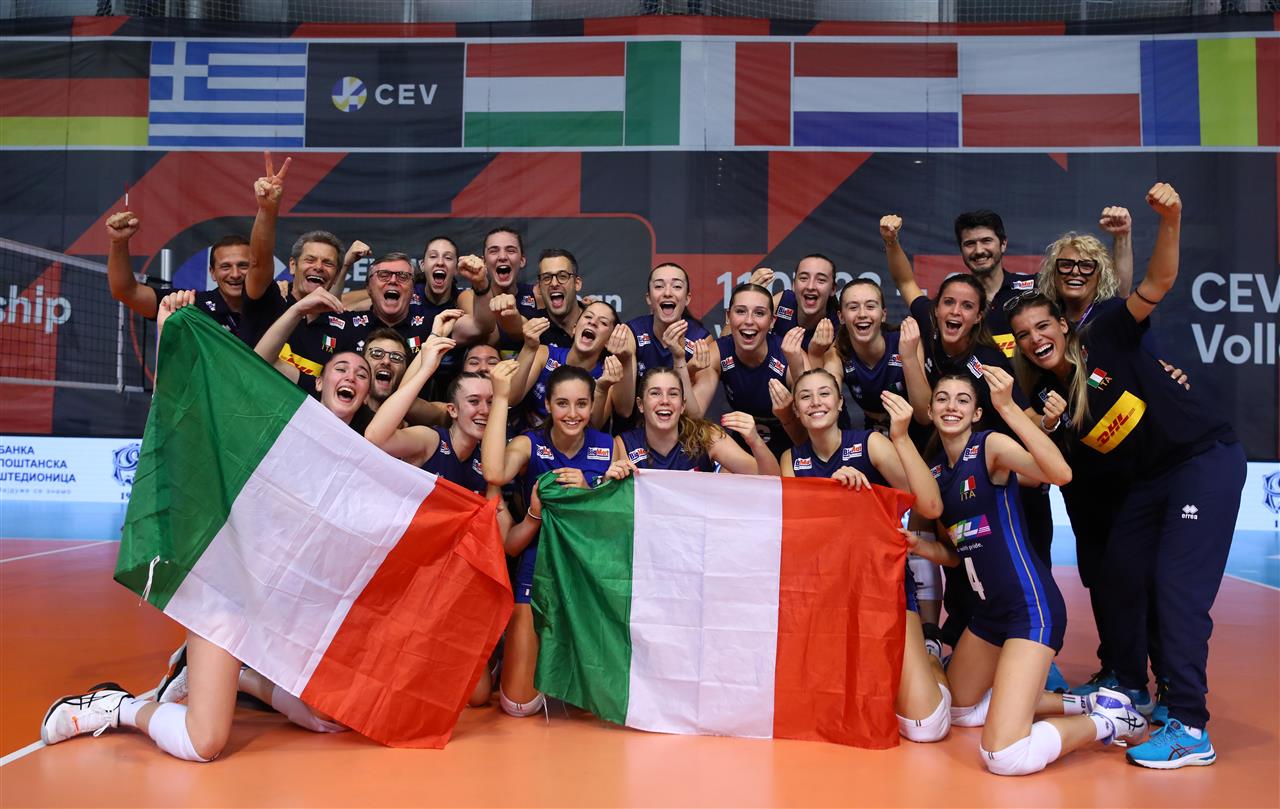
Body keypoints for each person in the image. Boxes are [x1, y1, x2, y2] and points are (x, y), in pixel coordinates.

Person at [39, 293, 363, 761]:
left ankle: (239, 678)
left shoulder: (363, 459)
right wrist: (168, 339)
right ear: (319, 377)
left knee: (326, 717)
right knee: (204, 743)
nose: (351, 377)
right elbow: (186, 414)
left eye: (362, 374)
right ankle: (115, 706)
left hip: (280, 604)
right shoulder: (274, 420)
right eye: (341, 368)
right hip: (226, 583)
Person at [1008, 183, 1244, 769]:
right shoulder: (1045, 397)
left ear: (1063, 325)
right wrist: (1040, 422)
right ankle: (1132, 690)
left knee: (1175, 589)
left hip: (1200, 459)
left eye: (1044, 326)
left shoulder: (1108, 329)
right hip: (1146, 482)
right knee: (1116, 573)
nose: (1037, 338)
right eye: (1025, 335)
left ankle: (1189, 725)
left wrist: (1171, 219)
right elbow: (1048, 470)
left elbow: (1158, 281)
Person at [927, 368, 1147, 776]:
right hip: (988, 615)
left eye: (962, 399)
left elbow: (1060, 474)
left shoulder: (989, 446)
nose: (951, 406)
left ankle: (1110, 721)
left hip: (1029, 610)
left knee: (1004, 756)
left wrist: (1008, 408)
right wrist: (915, 545)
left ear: (977, 413)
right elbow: (956, 555)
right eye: (942, 398)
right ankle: (1085, 703)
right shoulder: (937, 473)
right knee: (957, 708)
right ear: (930, 409)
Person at [882, 216, 1055, 652]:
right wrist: (891, 241)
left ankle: (1035, 647)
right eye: (948, 304)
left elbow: (1025, 414)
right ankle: (939, 635)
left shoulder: (987, 361)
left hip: (1001, 472)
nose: (954, 312)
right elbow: (905, 280)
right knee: (953, 552)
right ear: (936, 308)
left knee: (1023, 559)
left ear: (979, 316)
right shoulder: (927, 326)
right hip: (954, 468)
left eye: (965, 307)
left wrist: (1051, 425)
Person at [780, 369, 953, 743]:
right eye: (805, 396)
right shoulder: (791, 461)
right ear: (795, 409)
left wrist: (868, 493)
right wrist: (831, 497)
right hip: (829, 595)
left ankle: (932, 658)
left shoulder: (869, 444)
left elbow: (927, 505)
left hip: (882, 586)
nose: (816, 402)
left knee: (926, 727)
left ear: (840, 402)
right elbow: (797, 538)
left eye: (824, 393)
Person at [481, 361, 621, 717]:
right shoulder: (530, 443)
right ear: (547, 404)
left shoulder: (608, 447)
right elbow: (494, 472)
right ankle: (531, 657)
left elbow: (617, 527)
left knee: (594, 700)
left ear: (592, 405)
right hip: (538, 565)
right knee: (518, 705)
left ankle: (562, 663)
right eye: (562, 403)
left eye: (581, 404)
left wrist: (592, 492)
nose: (572, 414)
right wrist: (501, 397)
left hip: (588, 572)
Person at [691, 283, 806, 457]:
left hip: (791, 445)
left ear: (772, 321)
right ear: (728, 317)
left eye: (759, 313)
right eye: (740, 311)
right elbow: (695, 412)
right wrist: (681, 365)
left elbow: (810, 437)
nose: (749, 321)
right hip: (744, 443)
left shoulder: (790, 355)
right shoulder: (718, 352)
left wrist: (787, 413)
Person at [105, 211, 249, 339]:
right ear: (213, 273)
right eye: (225, 267)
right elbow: (127, 292)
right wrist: (119, 242)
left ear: (256, 269)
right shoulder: (191, 305)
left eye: (243, 265)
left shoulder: (264, 309)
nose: (235, 274)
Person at [611, 367, 779, 475]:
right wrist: (610, 479)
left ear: (683, 405)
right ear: (641, 405)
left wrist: (756, 441)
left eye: (673, 394)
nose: (665, 400)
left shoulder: (706, 436)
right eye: (655, 393)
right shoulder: (624, 444)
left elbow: (771, 480)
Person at [508, 300, 635, 430]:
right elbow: (510, 398)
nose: (593, 322)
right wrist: (529, 348)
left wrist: (601, 389)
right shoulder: (544, 354)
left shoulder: (607, 375)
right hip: (528, 437)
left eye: (603, 322)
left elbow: (593, 428)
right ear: (574, 328)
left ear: (609, 340)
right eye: (588, 316)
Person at [755, 255, 841, 357]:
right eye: (803, 278)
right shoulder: (783, 301)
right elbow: (743, 329)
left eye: (821, 280)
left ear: (833, 289)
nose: (810, 286)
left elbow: (829, 367)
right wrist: (750, 294)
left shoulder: (838, 328)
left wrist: (816, 353)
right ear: (793, 285)